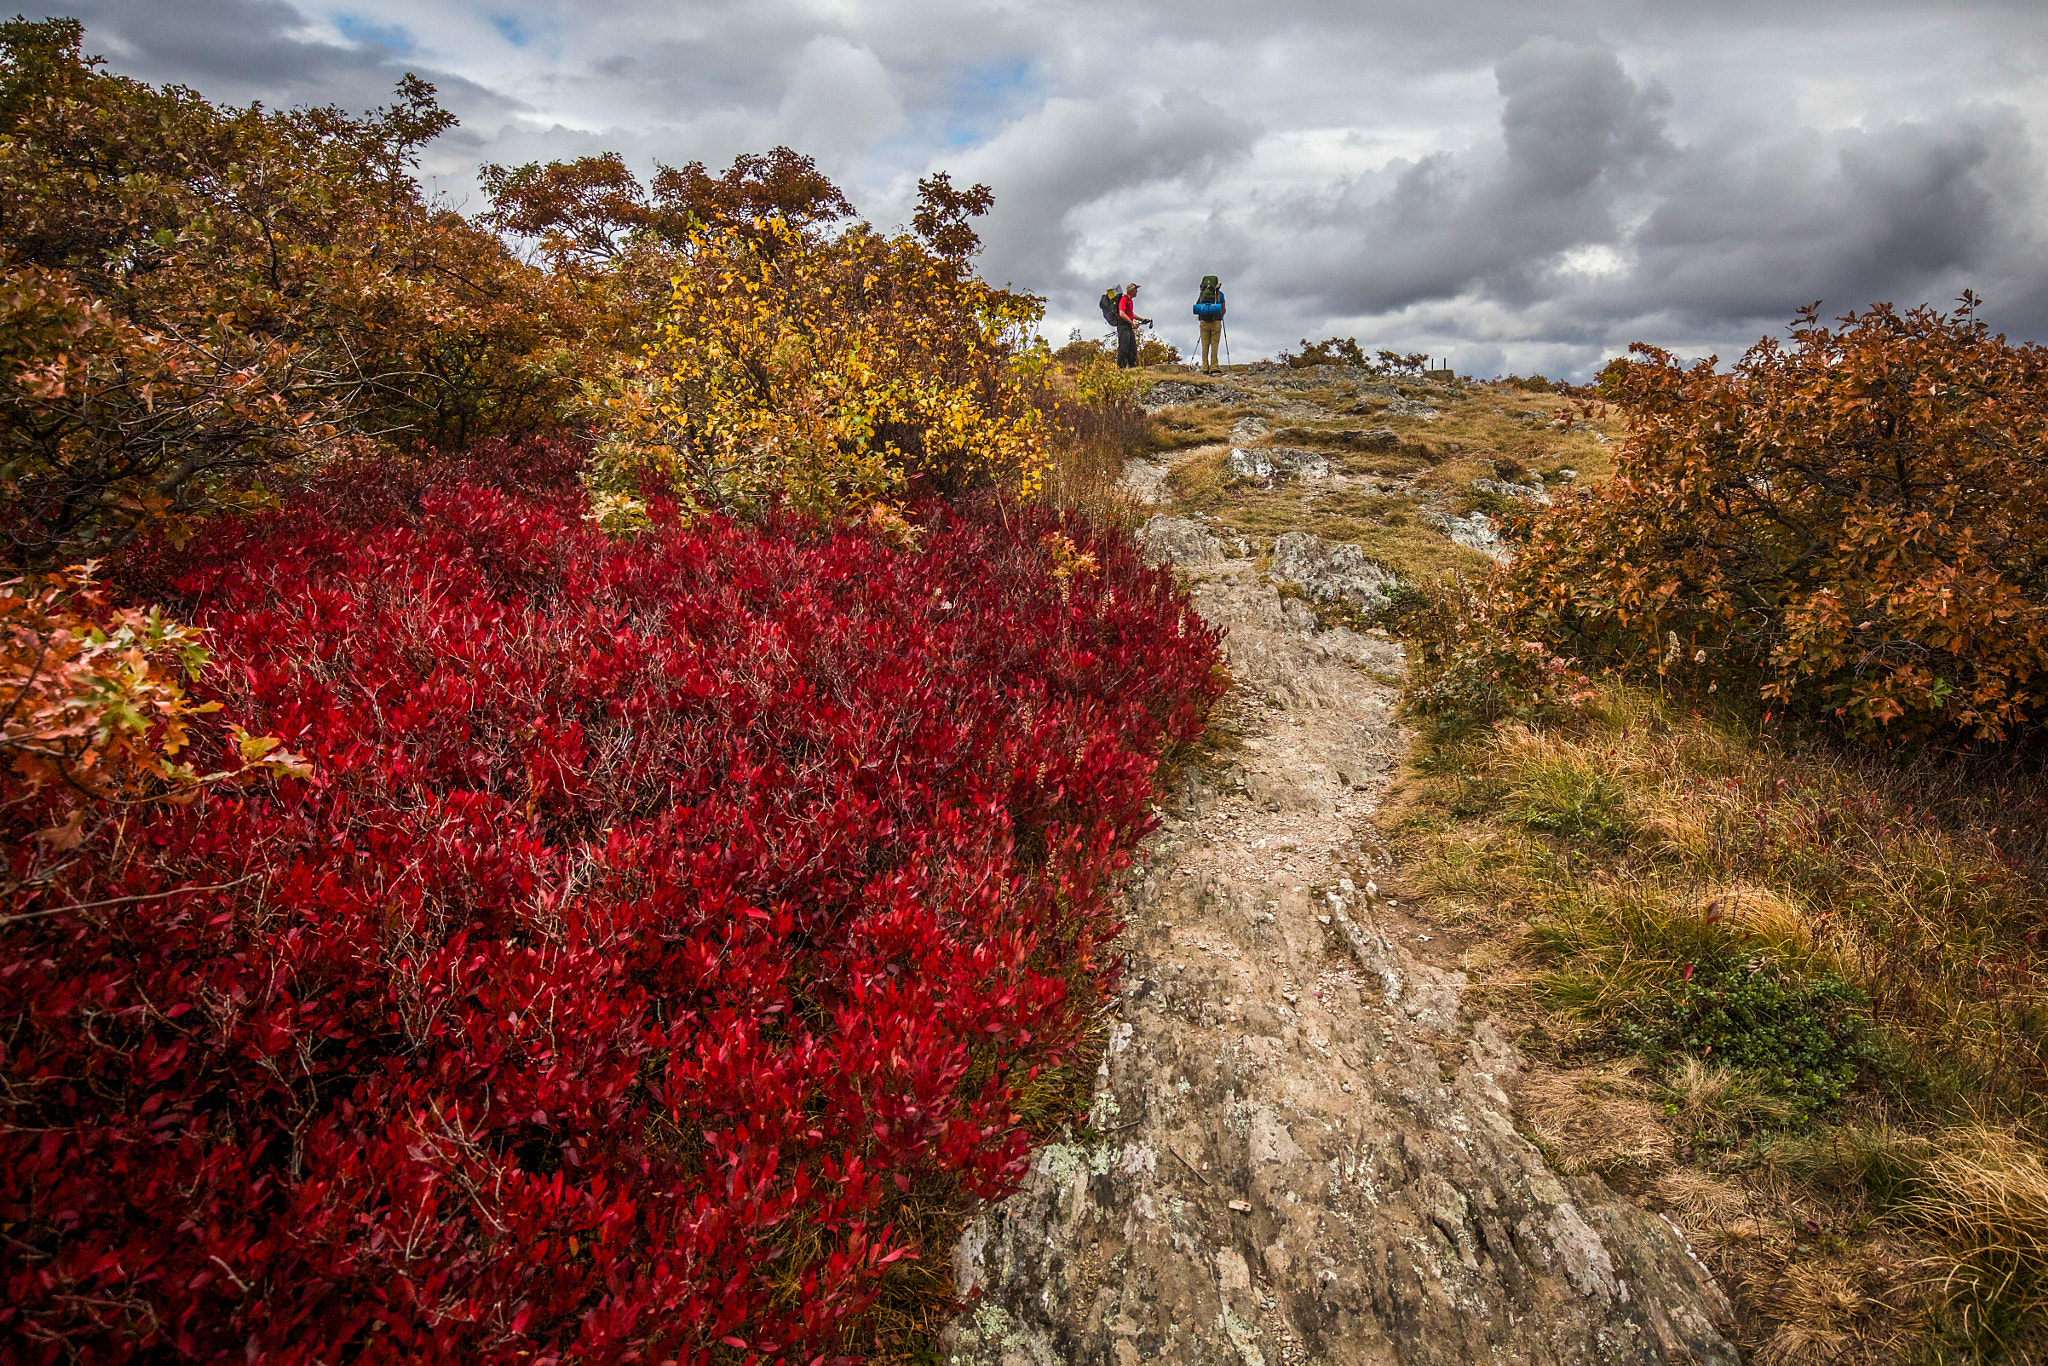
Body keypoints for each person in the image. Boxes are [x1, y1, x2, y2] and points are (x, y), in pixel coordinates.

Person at [1193, 275, 1225, 372]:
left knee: (1204, 345)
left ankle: (1205, 367)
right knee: (1214, 344)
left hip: (1204, 323)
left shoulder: (1202, 295)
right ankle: (1214, 367)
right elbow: (1223, 310)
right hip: (1216, 322)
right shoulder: (1220, 295)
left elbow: (1198, 307)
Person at [1115, 283, 1150, 369]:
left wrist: (1141, 319)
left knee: (1132, 348)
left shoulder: (1130, 301)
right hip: (1123, 326)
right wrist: (1132, 323)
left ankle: (1131, 367)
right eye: (1135, 289)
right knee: (1124, 347)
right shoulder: (1124, 299)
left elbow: (1130, 313)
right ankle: (1122, 368)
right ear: (1131, 290)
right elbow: (1122, 313)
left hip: (1128, 327)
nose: (1137, 291)